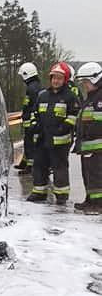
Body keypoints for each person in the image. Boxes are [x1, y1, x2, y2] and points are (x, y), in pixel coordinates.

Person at [27, 61, 79, 205]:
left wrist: (63, 128)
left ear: (65, 80)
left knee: (59, 167)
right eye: (54, 77)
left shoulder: (70, 97)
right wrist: (33, 125)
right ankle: (39, 192)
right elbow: (35, 113)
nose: (56, 81)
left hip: (60, 141)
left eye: (59, 78)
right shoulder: (42, 95)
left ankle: (61, 195)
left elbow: (74, 116)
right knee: (39, 165)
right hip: (42, 138)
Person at [73, 62, 102, 212]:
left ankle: (98, 204)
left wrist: (89, 135)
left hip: (97, 147)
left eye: (86, 82)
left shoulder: (99, 98)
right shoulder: (91, 97)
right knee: (88, 175)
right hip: (88, 145)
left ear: (95, 79)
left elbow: (97, 122)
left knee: (97, 176)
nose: (84, 85)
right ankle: (90, 200)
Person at [16, 61, 43, 173]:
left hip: (32, 124)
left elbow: (32, 107)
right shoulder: (35, 86)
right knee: (29, 143)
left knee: (30, 144)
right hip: (32, 122)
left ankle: (30, 166)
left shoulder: (32, 89)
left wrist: (31, 121)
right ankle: (26, 163)